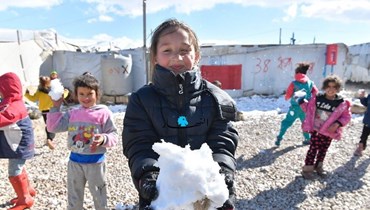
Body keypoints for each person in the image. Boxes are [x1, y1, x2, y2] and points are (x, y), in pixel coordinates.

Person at [122, 18, 239, 210]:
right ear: (154, 57)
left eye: (184, 50)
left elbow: (223, 140)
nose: (177, 57)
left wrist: (222, 170)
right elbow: (138, 143)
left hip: (206, 192)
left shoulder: (217, 98)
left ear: (197, 55)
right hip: (163, 193)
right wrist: (148, 176)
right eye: (167, 50)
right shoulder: (141, 100)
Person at [46, 72, 118, 210]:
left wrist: (104, 138)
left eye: (89, 93)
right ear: (76, 95)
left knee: (99, 195)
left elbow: (113, 135)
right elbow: (53, 127)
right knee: (74, 196)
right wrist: (56, 106)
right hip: (75, 162)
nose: (86, 98)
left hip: (96, 163)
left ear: (97, 93)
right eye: (81, 94)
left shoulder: (103, 112)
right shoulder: (72, 113)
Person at [300, 75, 351, 179]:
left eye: (334, 87)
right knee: (313, 149)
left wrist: (337, 123)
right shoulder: (317, 99)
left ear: (338, 89)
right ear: (324, 87)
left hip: (329, 131)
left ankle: (318, 167)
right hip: (316, 130)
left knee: (323, 149)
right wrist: (301, 101)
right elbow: (308, 109)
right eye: (328, 86)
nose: (331, 89)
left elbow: (346, 116)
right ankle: (307, 169)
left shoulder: (341, 103)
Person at [0, 72, 36, 209]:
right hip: (20, 143)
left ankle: (24, 199)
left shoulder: (11, 107)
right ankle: (28, 191)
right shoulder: (15, 101)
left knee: (14, 171)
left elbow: (4, 118)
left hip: (18, 145)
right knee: (20, 167)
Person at [275, 62, 318, 146]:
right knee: (305, 123)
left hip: (294, 108)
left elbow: (288, 95)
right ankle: (307, 138)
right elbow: (316, 92)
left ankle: (279, 137)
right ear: (305, 73)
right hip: (305, 108)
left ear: (296, 73)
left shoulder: (293, 83)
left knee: (287, 122)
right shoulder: (310, 83)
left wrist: (287, 97)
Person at [354, 89, 370, 156]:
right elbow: (366, 103)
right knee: (364, 135)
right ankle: (360, 148)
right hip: (368, 120)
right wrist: (362, 97)